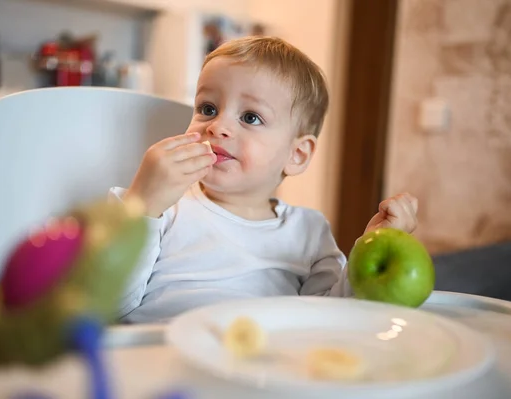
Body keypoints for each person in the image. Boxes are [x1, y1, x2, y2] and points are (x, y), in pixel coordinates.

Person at [109, 36, 418, 323]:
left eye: (250, 117)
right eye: (208, 108)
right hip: (163, 358)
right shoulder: (164, 207)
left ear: (296, 155)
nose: (217, 127)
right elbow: (108, 306)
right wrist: (143, 205)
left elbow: (332, 319)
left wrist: (374, 247)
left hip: (263, 367)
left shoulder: (308, 232)